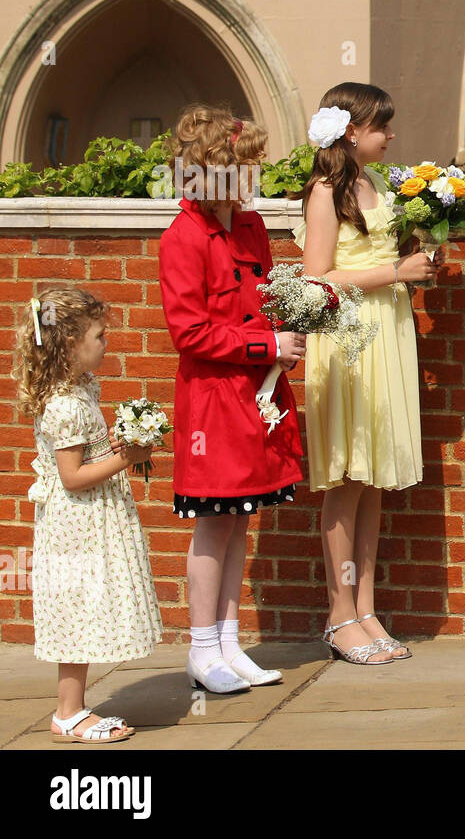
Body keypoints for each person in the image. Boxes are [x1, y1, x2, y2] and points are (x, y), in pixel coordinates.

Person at [292, 82, 443, 665]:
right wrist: (394, 271)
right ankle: (338, 614)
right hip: (348, 342)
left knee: (375, 478)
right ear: (352, 131)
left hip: (389, 336)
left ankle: (367, 606)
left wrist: (421, 258)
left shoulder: (377, 183)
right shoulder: (326, 192)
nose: (392, 135)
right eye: (383, 125)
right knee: (345, 477)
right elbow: (317, 279)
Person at [160, 105, 306, 693]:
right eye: (245, 165)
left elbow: (264, 296)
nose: (255, 176)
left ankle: (227, 642)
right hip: (214, 401)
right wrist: (266, 341)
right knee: (213, 522)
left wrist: (294, 317)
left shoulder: (249, 226)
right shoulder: (183, 237)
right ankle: (200, 648)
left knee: (241, 517)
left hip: (257, 394)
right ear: (213, 167)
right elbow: (189, 332)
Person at [15, 287, 163, 742]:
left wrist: (114, 446)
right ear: (70, 344)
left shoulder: (80, 388)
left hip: (90, 517)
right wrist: (130, 455)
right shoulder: (64, 405)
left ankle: (74, 707)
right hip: (77, 525)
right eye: (99, 336)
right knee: (77, 611)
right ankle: (68, 712)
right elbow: (73, 477)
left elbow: (86, 456)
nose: (106, 343)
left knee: (88, 610)